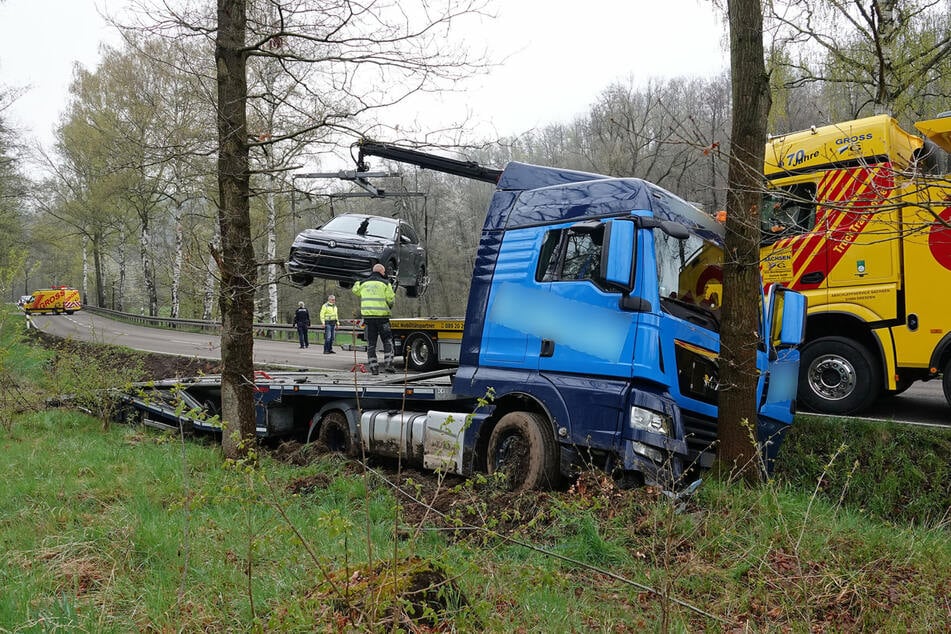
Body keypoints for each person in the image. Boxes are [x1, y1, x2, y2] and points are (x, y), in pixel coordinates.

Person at [352, 263, 395, 375]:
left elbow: (355, 290)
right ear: (381, 272)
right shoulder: (386, 283)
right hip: (382, 318)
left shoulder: (363, 283)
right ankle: (389, 364)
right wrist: (389, 306)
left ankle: (373, 367)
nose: (385, 274)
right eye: (384, 272)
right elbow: (390, 299)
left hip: (369, 318)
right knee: (387, 341)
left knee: (371, 343)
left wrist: (359, 279)